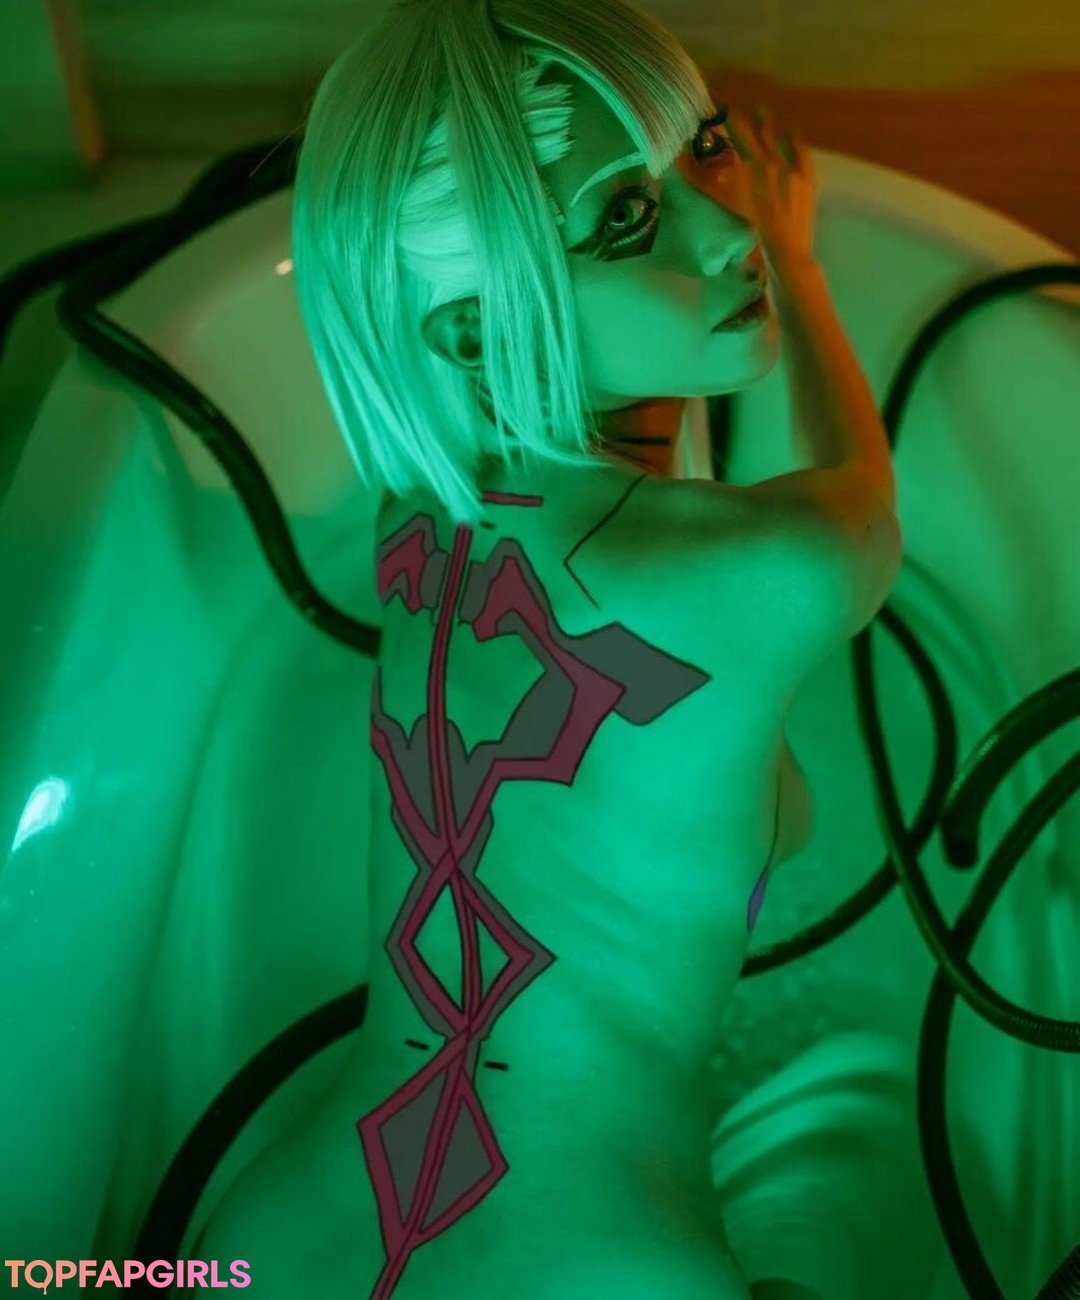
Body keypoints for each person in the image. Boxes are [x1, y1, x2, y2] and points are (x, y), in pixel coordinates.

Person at [195, 0, 902, 1295]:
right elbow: (862, 496)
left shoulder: (417, 523)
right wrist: (800, 275)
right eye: (627, 218)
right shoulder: (777, 569)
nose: (729, 227)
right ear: (470, 330)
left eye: (705, 151)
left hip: (287, 1220)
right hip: (608, 1250)